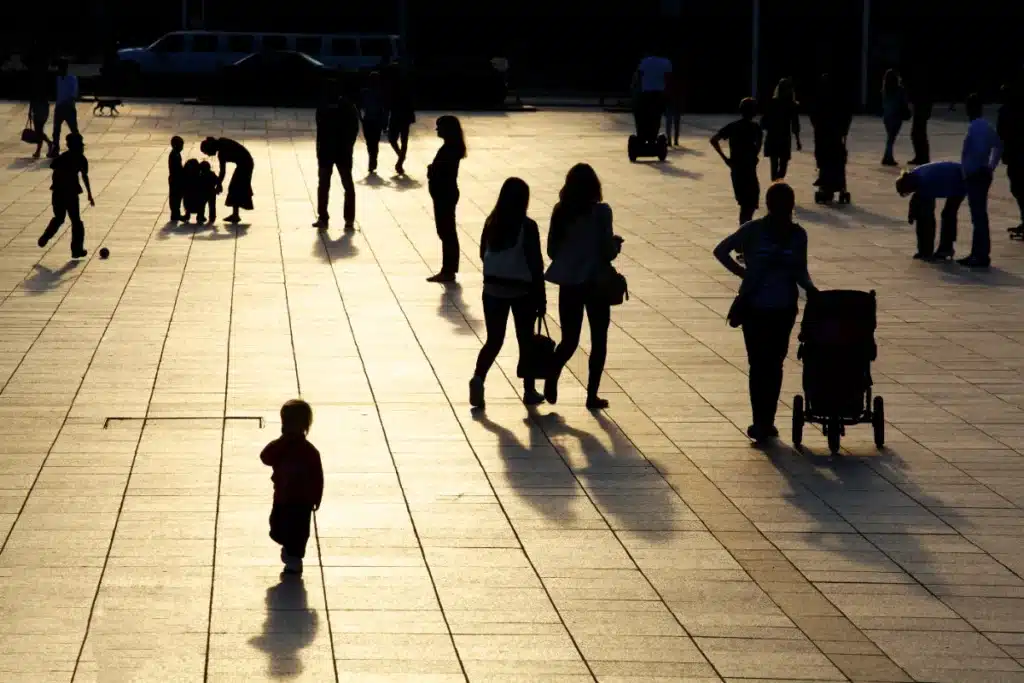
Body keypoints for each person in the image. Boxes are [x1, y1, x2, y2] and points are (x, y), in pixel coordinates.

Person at [713, 181, 817, 442]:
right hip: (766, 308)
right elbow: (720, 251)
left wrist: (745, 275)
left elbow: (721, 251)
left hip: (774, 309)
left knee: (762, 365)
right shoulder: (778, 232)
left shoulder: (783, 233)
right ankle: (763, 421)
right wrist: (745, 274)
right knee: (768, 364)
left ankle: (763, 421)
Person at [543, 163, 623, 410]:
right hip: (596, 282)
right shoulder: (602, 212)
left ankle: (553, 372)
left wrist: (572, 253)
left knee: (569, 339)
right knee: (599, 341)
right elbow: (607, 252)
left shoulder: (561, 211)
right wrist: (615, 245)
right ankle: (592, 396)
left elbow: (551, 250)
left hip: (569, 282)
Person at [469, 178, 547, 409]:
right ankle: (529, 390)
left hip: (492, 289)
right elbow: (536, 265)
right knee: (526, 339)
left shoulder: (491, 222)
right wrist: (541, 297)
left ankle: (478, 377)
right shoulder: (527, 226)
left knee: (494, 339)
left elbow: (483, 253)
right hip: (521, 289)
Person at [260, 399, 323, 576]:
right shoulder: (282, 447)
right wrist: (282, 441)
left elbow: (317, 477)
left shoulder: (309, 451)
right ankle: (289, 550)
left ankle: (294, 560)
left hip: (301, 501)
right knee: (278, 528)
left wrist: (315, 498)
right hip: (282, 497)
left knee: (298, 533)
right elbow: (265, 457)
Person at [958, 93, 1003, 268]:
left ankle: (981, 254)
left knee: (978, 216)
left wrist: (966, 172)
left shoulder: (974, 128)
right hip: (983, 173)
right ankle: (978, 252)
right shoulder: (987, 127)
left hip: (974, 175)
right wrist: (991, 166)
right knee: (979, 215)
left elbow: (969, 152)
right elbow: (998, 146)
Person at [313, 80, 360, 231]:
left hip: (336, 151)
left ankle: (343, 218)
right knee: (330, 185)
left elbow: (352, 130)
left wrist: (347, 146)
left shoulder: (340, 106)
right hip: (333, 151)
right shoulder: (342, 106)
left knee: (337, 185)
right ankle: (329, 217)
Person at [38, 133, 93, 259]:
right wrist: (89, 193)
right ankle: (77, 249)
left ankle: (45, 237)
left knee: (59, 218)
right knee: (76, 222)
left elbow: (52, 166)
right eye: (81, 146)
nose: (82, 148)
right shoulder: (81, 159)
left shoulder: (63, 157)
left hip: (57, 192)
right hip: (71, 194)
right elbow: (84, 176)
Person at [895, 162, 965, 260]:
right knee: (941, 214)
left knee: (947, 215)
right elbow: (916, 200)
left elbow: (927, 219)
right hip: (954, 174)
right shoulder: (915, 175)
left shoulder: (924, 182)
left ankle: (944, 248)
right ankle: (934, 249)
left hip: (961, 179)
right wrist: (912, 214)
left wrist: (914, 215)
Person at [711, 97, 764, 226]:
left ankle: (744, 231)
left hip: (737, 169)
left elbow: (714, 140)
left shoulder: (734, 126)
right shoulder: (755, 127)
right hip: (748, 171)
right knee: (749, 205)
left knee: (745, 205)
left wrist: (726, 159)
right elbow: (759, 143)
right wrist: (755, 155)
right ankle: (744, 233)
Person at [425, 115, 466, 283]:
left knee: (447, 232)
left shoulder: (449, 149)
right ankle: (449, 268)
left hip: (445, 193)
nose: (437, 130)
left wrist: (431, 169)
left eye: (439, 127)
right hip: (444, 193)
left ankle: (448, 270)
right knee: (446, 232)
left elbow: (441, 171)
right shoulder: (450, 147)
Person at [810, 73, 853, 196]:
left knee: (826, 157)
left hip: (825, 132)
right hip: (833, 132)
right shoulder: (839, 98)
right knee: (836, 157)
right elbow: (847, 114)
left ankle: (826, 182)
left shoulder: (820, 99)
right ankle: (836, 182)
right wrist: (844, 128)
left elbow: (814, 114)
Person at [200, 136, 254, 223]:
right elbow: (222, 172)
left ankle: (235, 215)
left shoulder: (222, 152)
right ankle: (235, 214)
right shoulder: (221, 142)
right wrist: (219, 184)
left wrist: (218, 184)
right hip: (244, 163)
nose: (209, 155)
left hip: (245, 164)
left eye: (207, 153)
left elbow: (222, 172)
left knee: (235, 187)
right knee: (235, 187)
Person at [761, 77, 802, 181]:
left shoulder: (773, 103)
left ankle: (775, 185)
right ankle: (778, 184)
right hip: (783, 138)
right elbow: (795, 125)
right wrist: (797, 140)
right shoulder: (791, 105)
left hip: (773, 136)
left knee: (774, 165)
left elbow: (764, 121)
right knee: (782, 166)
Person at [998, 76, 1024, 235]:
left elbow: (1002, 134)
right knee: (1019, 189)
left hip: (1016, 155)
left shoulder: (1007, 112)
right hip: (1015, 154)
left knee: (1019, 188)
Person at [632, 49, 673, 142]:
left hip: (645, 93)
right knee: (656, 116)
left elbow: (638, 78)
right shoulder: (666, 62)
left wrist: (634, 91)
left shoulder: (644, 61)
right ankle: (652, 137)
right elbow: (668, 80)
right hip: (659, 94)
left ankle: (641, 136)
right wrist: (668, 95)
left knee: (642, 115)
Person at [387, 67, 415, 175]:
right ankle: (401, 158)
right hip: (402, 116)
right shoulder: (400, 86)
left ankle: (400, 159)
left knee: (395, 139)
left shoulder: (395, 86)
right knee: (401, 140)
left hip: (399, 116)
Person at [360, 71, 388, 175]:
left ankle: (372, 160)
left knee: (373, 142)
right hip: (370, 120)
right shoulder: (366, 92)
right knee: (371, 142)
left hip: (374, 120)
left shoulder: (379, 93)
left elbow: (384, 108)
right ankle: (373, 158)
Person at [50, 59, 79, 158]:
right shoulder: (57, 79)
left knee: (74, 129)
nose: (59, 70)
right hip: (59, 107)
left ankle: (78, 147)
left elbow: (73, 94)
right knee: (56, 130)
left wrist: (67, 103)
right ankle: (55, 149)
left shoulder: (72, 79)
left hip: (68, 108)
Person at [881, 69, 908, 166]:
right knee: (891, 138)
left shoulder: (885, 89)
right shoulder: (899, 90)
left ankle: (887, 157)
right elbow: (903, 102)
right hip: (896, 116)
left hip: (887, 116)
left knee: (890, 138)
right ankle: (888, 157)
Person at [28, 53, 52, 159]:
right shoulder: (44, 82)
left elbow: (33, 98)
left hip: (39, 109)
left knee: (39, 131)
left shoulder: (36, 83)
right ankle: (41, 149)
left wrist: (30, 110)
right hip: (42, 109)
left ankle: (46, 145)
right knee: (39, 131)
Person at [907, 70, 933, 165]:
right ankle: (921, 156)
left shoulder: (923, 87)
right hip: (921, 110)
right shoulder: (925, 86)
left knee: (918, 134)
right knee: (919, 134)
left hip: (921, 111)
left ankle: (922, 157)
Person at [664, 69, 683, 146]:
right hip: (675, 105)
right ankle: (675, 140)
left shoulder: (667, 85)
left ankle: (670, 140)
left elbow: (664, 96)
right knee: (676, 124)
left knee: (669, 124)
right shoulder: (677, 85)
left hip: (670, 105)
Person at [168, 136, 184, 221]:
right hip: (175, 179)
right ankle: (175, 214)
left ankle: (176, 213)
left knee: (178, 197)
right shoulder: (174, 154)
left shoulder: (177, 153)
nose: (182, 148)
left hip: (177, 178)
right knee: (175, 197)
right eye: (181, 145)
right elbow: (176, 168)